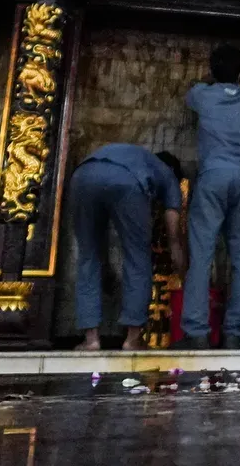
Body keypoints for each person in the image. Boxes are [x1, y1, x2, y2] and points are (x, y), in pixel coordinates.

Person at [174, 44, 240, 350]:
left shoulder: (201, 94)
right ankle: (234, 332)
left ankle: (196, 332)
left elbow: (189, 91)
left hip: (213, 177)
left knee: (201, 255)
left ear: (212, 69)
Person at [71, 144, 184, 351]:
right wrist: (184, 273)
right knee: (138, 257)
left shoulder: (137, 156)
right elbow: (174, 238)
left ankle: (91, 340)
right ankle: (132, 340)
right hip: (127, 182)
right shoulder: (169, 177)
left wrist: (106, 268)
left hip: (82, 176)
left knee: (88, 256)